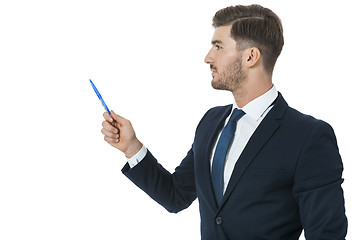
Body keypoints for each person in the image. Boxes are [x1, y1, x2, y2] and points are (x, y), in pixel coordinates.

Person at [100, 4, 347, 239]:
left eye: (218, 47)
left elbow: (326, 235)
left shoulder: (308, 136)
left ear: (251, 56)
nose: (208, 57)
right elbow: (176, 195)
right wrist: (131, 148)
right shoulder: (211, 121)